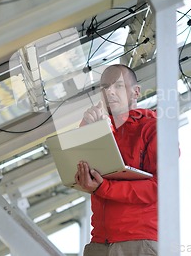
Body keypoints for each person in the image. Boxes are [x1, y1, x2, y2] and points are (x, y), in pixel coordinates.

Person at [75, 64, 158, 256]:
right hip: (98, 241)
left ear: (135, 92)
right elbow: (83, 170)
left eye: (118, 85)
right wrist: (88, 129)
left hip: (138, 241)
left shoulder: (152, 128)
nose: (110, 91)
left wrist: (103, 187)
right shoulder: (99, 125)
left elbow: (160, 188)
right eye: (104, 87)